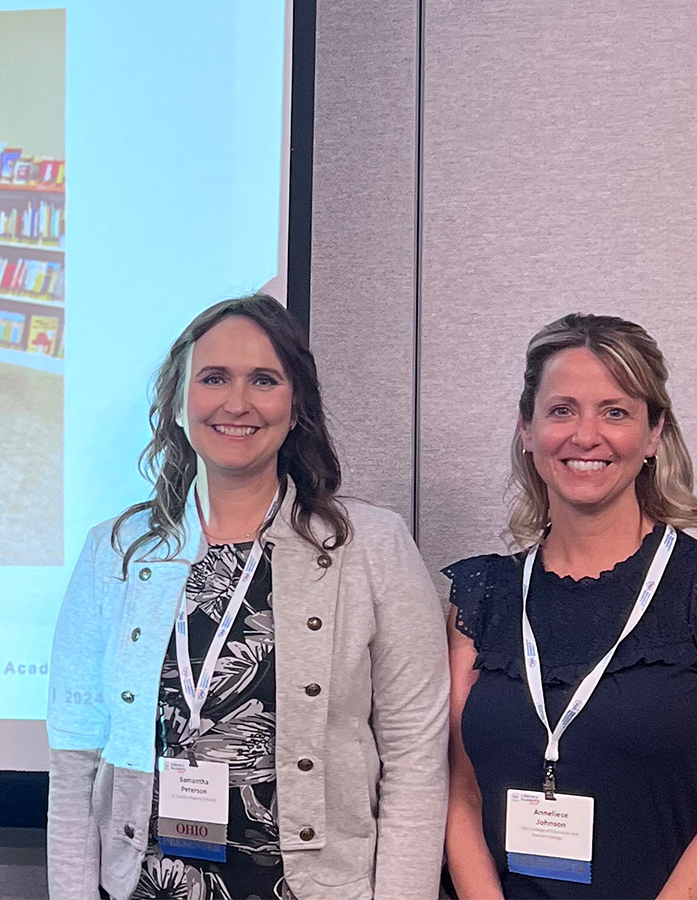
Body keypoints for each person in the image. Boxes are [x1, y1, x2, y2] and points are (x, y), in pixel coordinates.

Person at [47, 294, 449, 900]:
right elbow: (75, 758)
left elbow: (416, 758)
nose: (237, 403)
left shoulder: (372, 547)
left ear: (296, 406)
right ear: (178, 404)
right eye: (213, 379)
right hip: (147, 885)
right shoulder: (115, 552)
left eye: (263, 380)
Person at [443, 313, 697, 900]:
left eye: (615, 411)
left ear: (654, 433)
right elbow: (459, 797)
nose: (586, 435)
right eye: (562, 410)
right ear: (527, 429)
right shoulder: (480, 596)